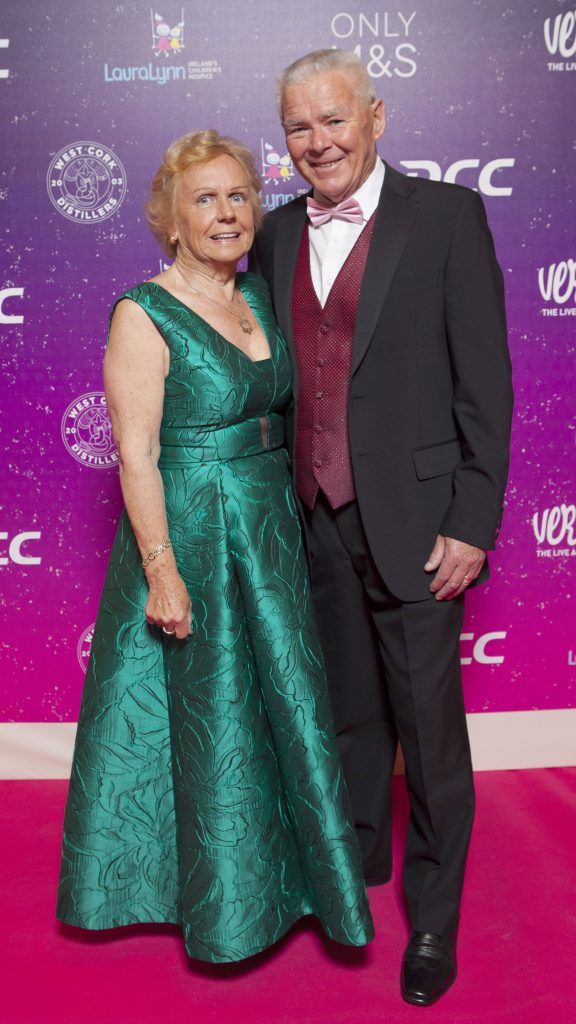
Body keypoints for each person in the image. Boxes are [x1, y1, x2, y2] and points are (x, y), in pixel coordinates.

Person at [56, 130, 374, 963]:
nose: (226, 213)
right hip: (195, 534)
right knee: (217, 715)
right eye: (205, 199)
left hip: (270, 527)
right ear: (170, 219)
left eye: (238, 196)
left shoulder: (262, 298)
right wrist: (162, 572)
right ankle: (226, 911)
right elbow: (135, 454)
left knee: (286, 707)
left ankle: (295, 882)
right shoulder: (143, 310)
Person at [251, 49, 513, 1005]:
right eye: (298, 127)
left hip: (419, 525)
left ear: (376, 117)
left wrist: (473, 520)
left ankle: (434, 922)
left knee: (429, 736)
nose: (316, 141)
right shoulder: (276, 236)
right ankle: (356, 875)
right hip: (313, 520)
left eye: (333, 120)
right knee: (351, 719)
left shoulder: (446, 217)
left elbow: (486, 382)